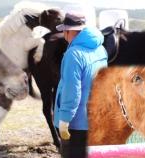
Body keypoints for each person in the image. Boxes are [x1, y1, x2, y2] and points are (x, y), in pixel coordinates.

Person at [53, 12, 108, 158]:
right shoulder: (100, 48)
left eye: (64, 30)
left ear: (69, 31)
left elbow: (72, 90)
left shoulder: (74, 54)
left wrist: (64, 119)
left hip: (76, 123)